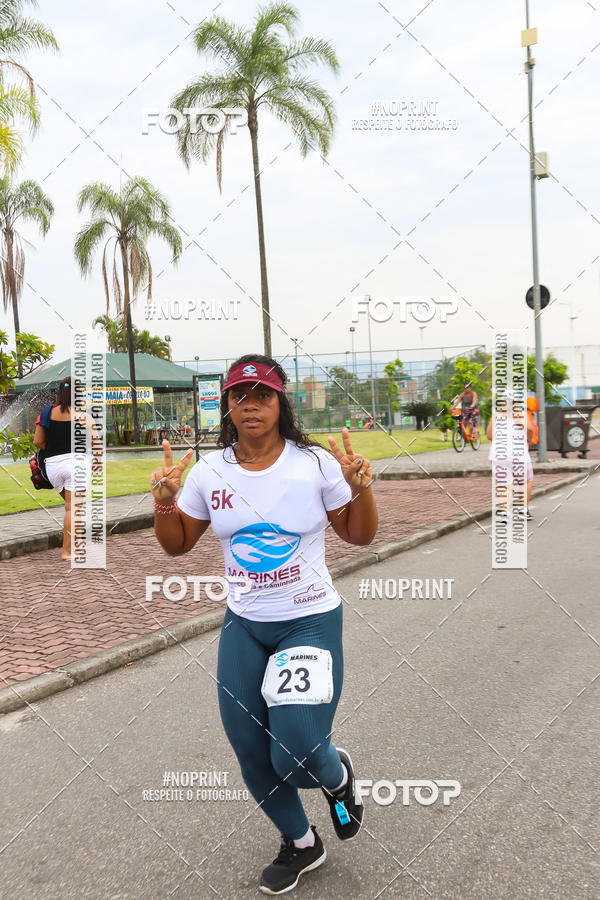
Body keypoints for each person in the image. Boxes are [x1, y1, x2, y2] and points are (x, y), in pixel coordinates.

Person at [152, 354, 378, 895]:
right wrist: (163, 506)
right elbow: (179, 544)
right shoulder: (211, 472)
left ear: (280, 404)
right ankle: (302, 844)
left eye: (263, 395)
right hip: (246, 625)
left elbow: (359, 535)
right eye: (239, 395)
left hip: (308, 621)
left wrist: (362, 487)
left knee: (296, 754)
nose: (250, 405)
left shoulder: (315, 463)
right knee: (251, 750)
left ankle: (336, 774)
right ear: (227, 405)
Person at [33, 377, 93, 560]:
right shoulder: (84, 416)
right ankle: (67, 551)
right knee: (72, 509)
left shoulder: (45, 413)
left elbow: (38, 442)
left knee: (74, 507)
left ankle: (79, 541)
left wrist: (56, 448)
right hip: (76, 466)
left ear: (60, 392)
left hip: (53, 468)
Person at [487, 396, 534, 519]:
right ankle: (523, 510)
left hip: (499, 455)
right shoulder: (521, 414)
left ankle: (504, 512)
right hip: (519, 455)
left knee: (503, 483)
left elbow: (489, 435)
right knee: (525, 481)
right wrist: (529, 437)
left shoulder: (496, 415)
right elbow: (529, 428)